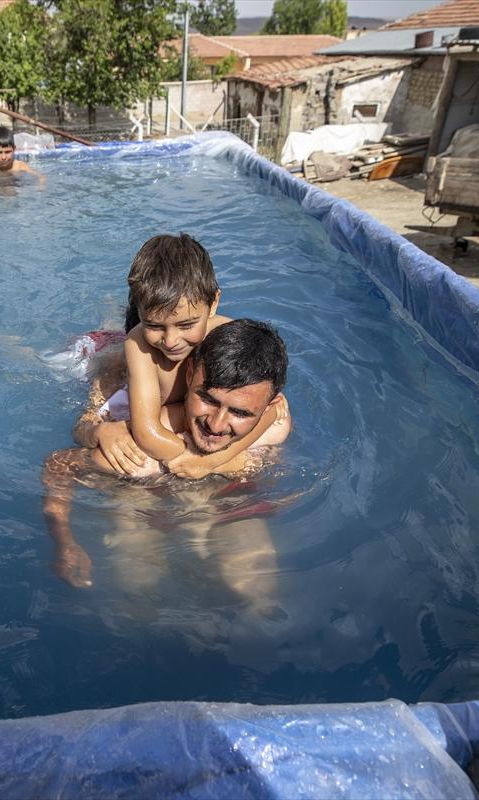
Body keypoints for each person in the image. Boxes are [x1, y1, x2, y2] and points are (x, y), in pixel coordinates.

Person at [42, 320, 292, 610]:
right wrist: (64, 540)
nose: (215, 425)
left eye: (240, 413)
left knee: (259, 592)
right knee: (138, 588)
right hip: (143, 493)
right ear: (190, 376)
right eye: (207, 399)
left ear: (271, 406)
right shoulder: (147, 444)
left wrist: (221, 464)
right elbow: (61, 463)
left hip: (224, 493)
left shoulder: (274, 429)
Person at [74, 234, 287, 480]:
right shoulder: (138, 344)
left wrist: (212, 462)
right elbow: (146, 434)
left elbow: (270, 411)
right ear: (142, 316)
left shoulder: (226, 334)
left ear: (213, 303)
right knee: (90, 420)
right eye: (154, 325)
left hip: (178, 408)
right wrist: (98, 431)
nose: (171, 341)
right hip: (120, 378)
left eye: (186, 325)